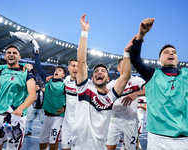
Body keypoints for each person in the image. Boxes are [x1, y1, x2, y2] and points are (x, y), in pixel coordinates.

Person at [70, 14, 132, 150]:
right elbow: (81, 61)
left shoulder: (111, 97)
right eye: (96, 71)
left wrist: (126, 53)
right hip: (78, 147)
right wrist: (84, 32)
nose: (99, 72)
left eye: (103, 71)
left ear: (108, 78)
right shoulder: (84, 88)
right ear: (91, 78)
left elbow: (126, 76)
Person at [124, 18, 188, 149]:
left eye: (174, 52)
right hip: (158, 139)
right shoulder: (153, 74)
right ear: (159, 60)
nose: (171, 53)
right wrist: (141, 34)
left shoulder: (186, 75)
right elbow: (135, 60)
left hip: (184, 139)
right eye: (166, 52)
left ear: (177, 58)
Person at [0, 45, 36, 150]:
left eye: (14, 53)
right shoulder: (0, 70)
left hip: (17, 116)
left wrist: (20, 109)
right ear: (5, 56)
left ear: (19, 57)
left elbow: (32, 95)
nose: (11, 54)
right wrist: (24, 64)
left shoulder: (26, 72)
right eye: (9, 52)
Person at [106, 58, 145, 150]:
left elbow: (149, 89)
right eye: (124, 66)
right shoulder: (112, 84)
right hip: (114, 120)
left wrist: (136, 93)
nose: (128, 68)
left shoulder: (137, 80)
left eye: (129, 65)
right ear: (118, 68)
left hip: (131, 121)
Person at [34, 49, 66, 150]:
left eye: (60, 71)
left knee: (53, 143)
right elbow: (39, 68)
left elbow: (72, 99)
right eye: (56, 70)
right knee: (42, 145)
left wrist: (65, 107)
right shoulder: (48, 81)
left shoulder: (65, 85)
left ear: (63, 75)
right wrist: (36, 55)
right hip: (47, 116)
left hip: (58, 117)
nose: (57, 71)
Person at [61, 58, 78, 150]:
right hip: (67, 124)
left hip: (80, 126)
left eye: (78, 66)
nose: (76, 68)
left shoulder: (88, 84)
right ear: (69, 68)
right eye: (73, 66)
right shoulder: (66, 80)